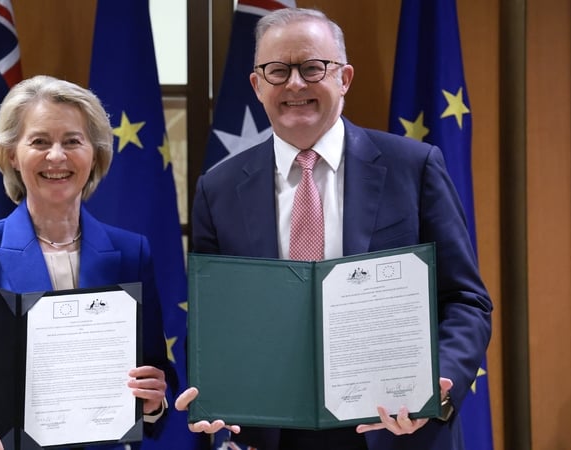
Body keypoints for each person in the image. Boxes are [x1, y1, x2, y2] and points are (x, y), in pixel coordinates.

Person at [175, 7, 492, 450]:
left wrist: (442, 380)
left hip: (397, 428)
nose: (295, 84)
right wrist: (213, 388)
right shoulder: (218, 188)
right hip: (275, 434)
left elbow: (465, 298)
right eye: (277, 70)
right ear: (257, 85)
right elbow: (214, 317)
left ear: (344, 78)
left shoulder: (413, 167)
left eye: (312, 68)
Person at [0, 75, 172, 450]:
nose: (56, 156)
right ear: (11, 155)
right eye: (39, 141)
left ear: (95, 154)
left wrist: (153, 401)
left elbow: (155, 370)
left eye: (72, 141)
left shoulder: (133, 253)